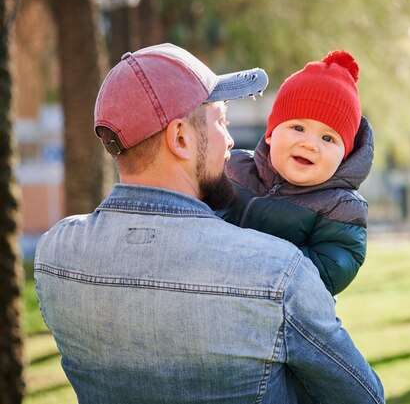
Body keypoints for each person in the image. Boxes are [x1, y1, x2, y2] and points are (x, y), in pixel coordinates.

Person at [34, 43, 384, 404]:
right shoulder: (280, 275)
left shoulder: (55, 253)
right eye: (220, 122)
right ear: (181, 138)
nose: (232, 142)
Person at [217, 50, 373, 296]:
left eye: (328, 138)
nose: (310, 144)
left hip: (278, 316)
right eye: (298, 127)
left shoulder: (340, 207)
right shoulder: (233, 167)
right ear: (270, 133)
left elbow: (327, 273)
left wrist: (247, 255)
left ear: (343, 155)